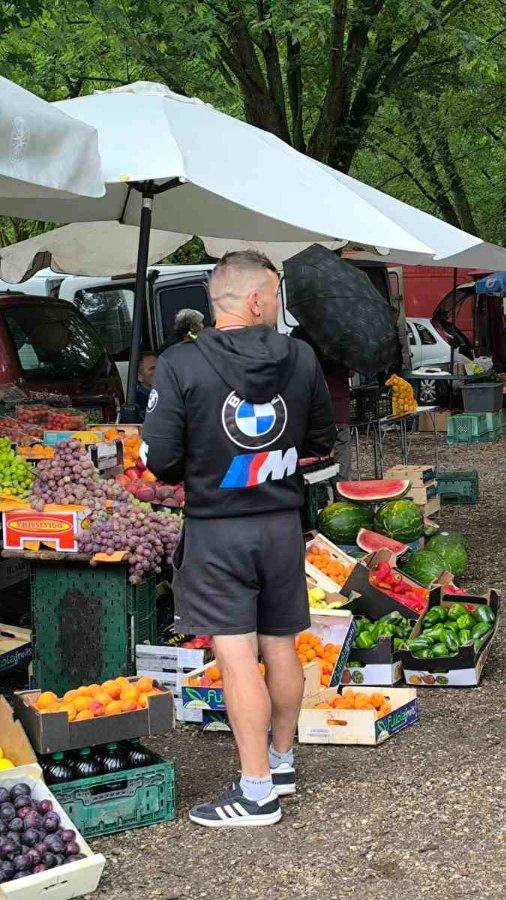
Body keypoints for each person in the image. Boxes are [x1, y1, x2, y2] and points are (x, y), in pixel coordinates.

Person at [142, 250, 335, 827]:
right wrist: (272, 463)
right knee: (281, 647)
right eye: (274, 295)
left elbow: (159, 458)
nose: (277, 306)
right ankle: (282, 763)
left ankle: (256, 794)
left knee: (235, 657)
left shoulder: (180, 363)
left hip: (218, 530)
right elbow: (321, 443)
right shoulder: (301, 358)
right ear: (254, 300)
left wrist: (204, 467)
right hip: (281, 526)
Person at [289, 325, 352, 478]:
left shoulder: (299, 336)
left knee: (311, 467)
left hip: (308, 414)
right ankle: (339, 490)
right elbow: (351, 372)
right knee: (341, 465)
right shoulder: (340, 338)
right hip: (337, 409)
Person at [132, 353, 157, 423]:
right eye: (152, 368)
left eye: (160, 367)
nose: (159, 371)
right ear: (140, 377)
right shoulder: (137, 404)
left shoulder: (171, 395)